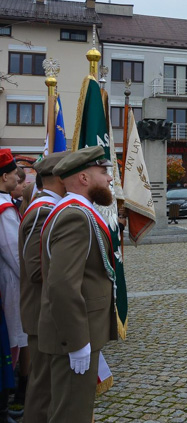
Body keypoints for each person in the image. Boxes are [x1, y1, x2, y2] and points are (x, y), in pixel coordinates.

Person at [39, 146, 119, 422]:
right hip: (74, 335)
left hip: (78, 331)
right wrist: (77, 342)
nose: (109, 178)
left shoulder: (77, 211)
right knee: (71, 414)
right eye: (103, 171)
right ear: (84, 178)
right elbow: (62, 285)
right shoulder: (75, 216)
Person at [17, 151, 69, 423]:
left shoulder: (45, 208)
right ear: (60, 177)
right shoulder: (44, 212)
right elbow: (37, 269)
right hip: (41, 309)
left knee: (45, 384)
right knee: (43, 388)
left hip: (42, 310)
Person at [0, 151, 26, 370]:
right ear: (3, 177)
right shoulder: (5, 211)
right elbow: (16, 256)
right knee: (12, 340)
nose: (18, 178)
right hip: (8, 284)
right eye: (13, 173)